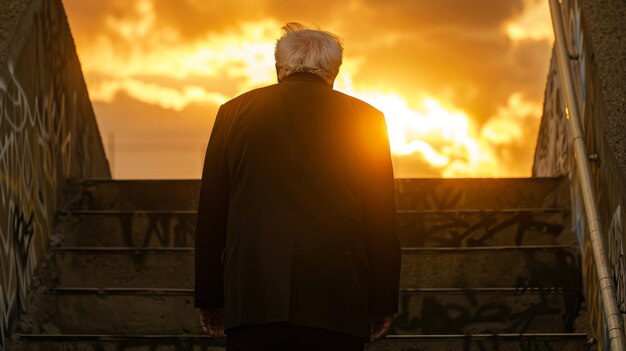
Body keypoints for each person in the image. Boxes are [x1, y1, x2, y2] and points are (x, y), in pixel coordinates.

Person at [194, 22, 400, 351]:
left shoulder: (232, 113)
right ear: (334, 72)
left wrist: (209, 296)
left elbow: (211, 213)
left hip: (253, 299)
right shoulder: (368, 120)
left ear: (279, 69)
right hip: (338, 302)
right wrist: (382, 300)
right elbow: (382, 219)